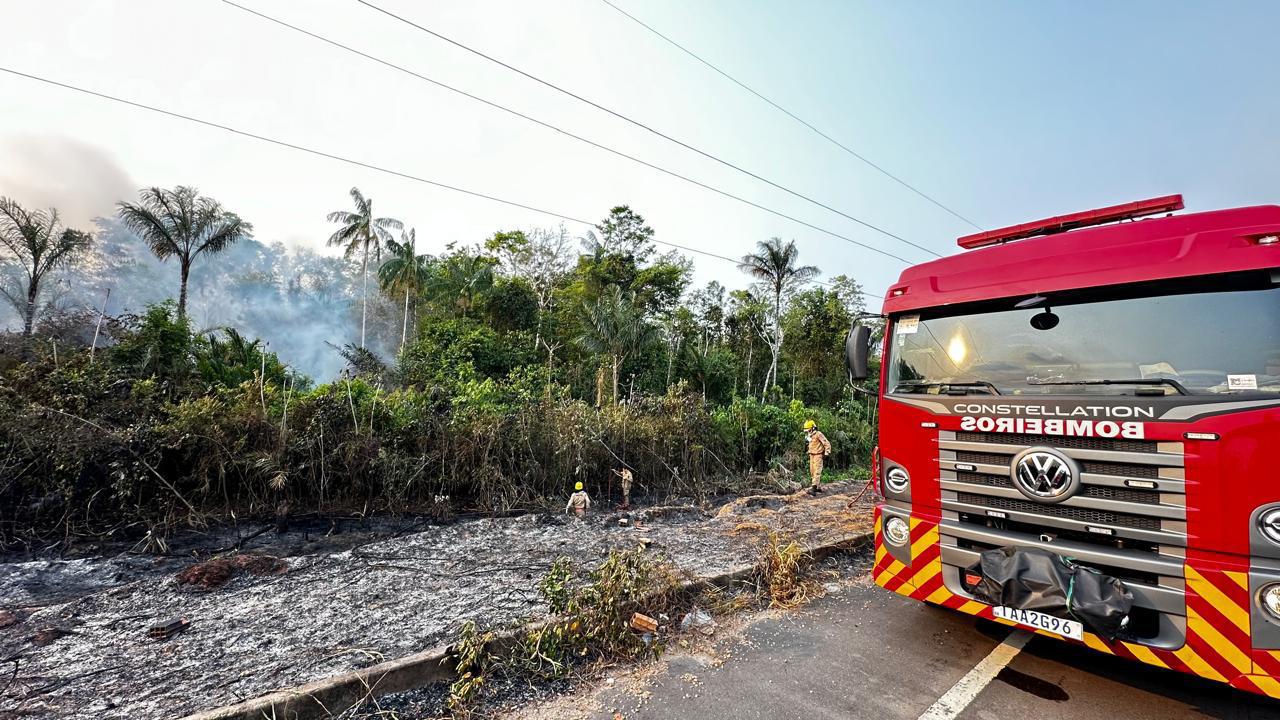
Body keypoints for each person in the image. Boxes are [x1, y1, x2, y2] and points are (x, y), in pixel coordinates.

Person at [803, 419, 831, 493]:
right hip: (811, 455)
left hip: (818, 455)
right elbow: (809, 445)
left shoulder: (818, 434)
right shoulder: (809, 436)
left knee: (817, 472)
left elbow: (827, 443)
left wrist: (827, 452)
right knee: (812, 471)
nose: (807, 431)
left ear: (812, 428)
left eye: (808, 430)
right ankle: (817, 487)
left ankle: (813, 489)